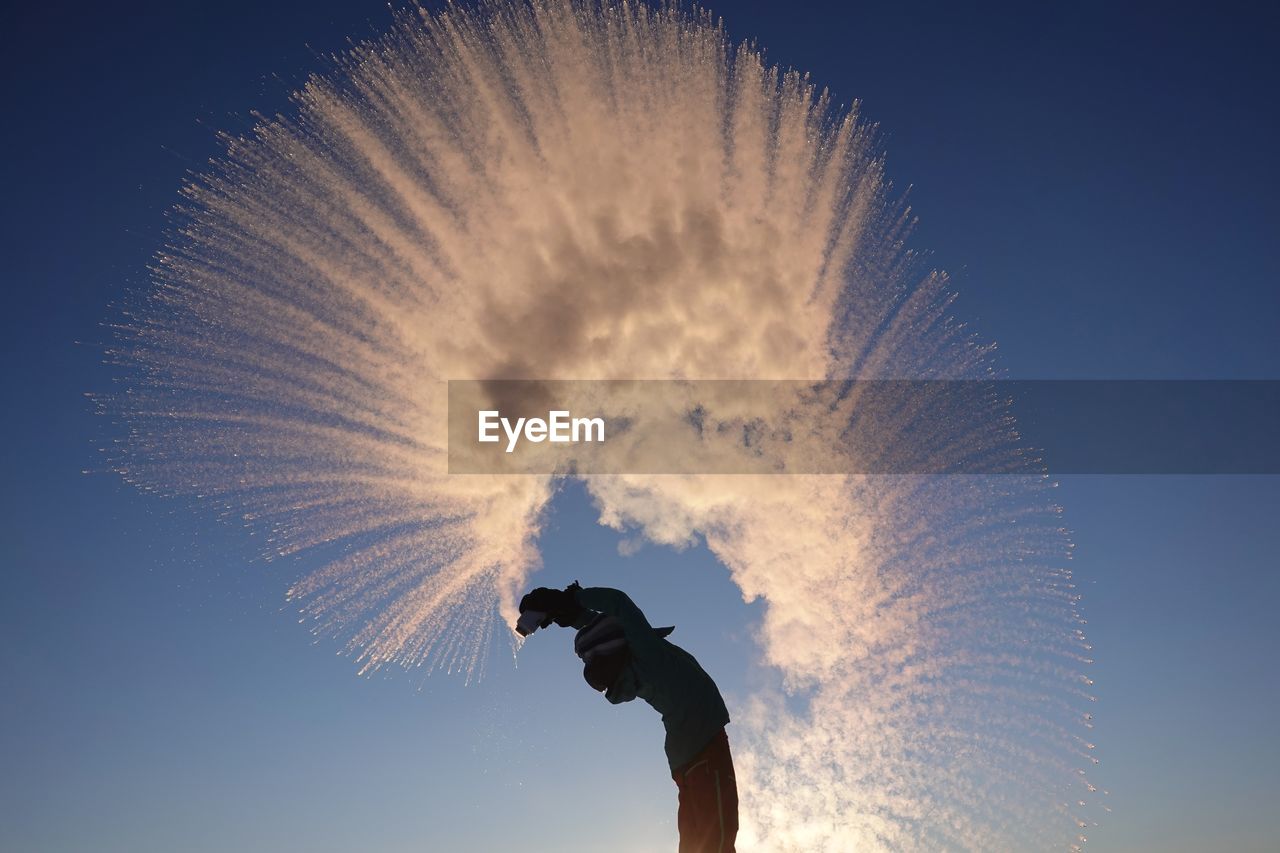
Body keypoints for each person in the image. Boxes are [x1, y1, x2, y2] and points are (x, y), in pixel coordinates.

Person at [518, 582, 738, 853]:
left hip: (688, 755)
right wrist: (574, 597)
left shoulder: (628, 664)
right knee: (717, 839)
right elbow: (619, 605)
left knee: (698, 842)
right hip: (705, 747)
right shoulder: (648, 654)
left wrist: (573, 614)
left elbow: (607, 632)